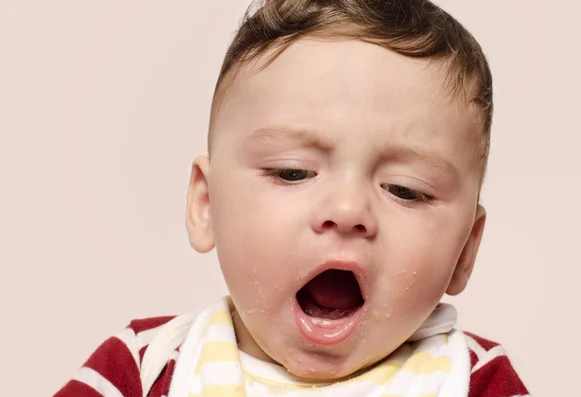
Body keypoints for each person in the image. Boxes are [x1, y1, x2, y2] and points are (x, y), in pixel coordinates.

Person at [54, 0, 529, 396]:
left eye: (406, 190)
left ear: (465, 249)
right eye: (292, 172)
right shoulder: (143, 368)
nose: (347, 211)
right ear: (206, 206)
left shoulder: (476, 380)